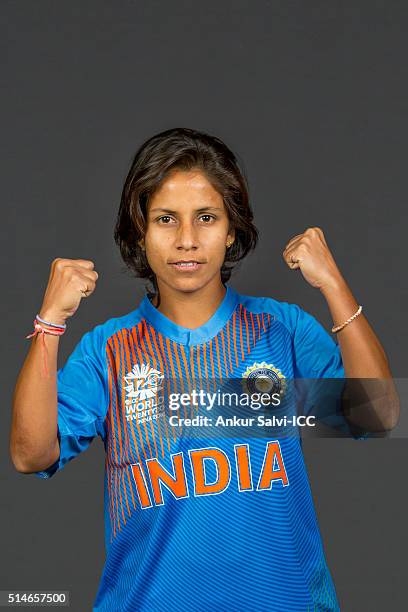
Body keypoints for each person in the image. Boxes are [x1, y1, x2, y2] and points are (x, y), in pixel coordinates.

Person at [10, 127, 399, 611]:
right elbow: (31, 454)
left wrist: (333, 283)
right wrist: (50, 323)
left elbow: (376, 415)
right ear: (141, 232)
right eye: (166, 219)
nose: (187, 240)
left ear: (231, 229)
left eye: (207, 218)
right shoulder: (108, 351)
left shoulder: (280, 329)